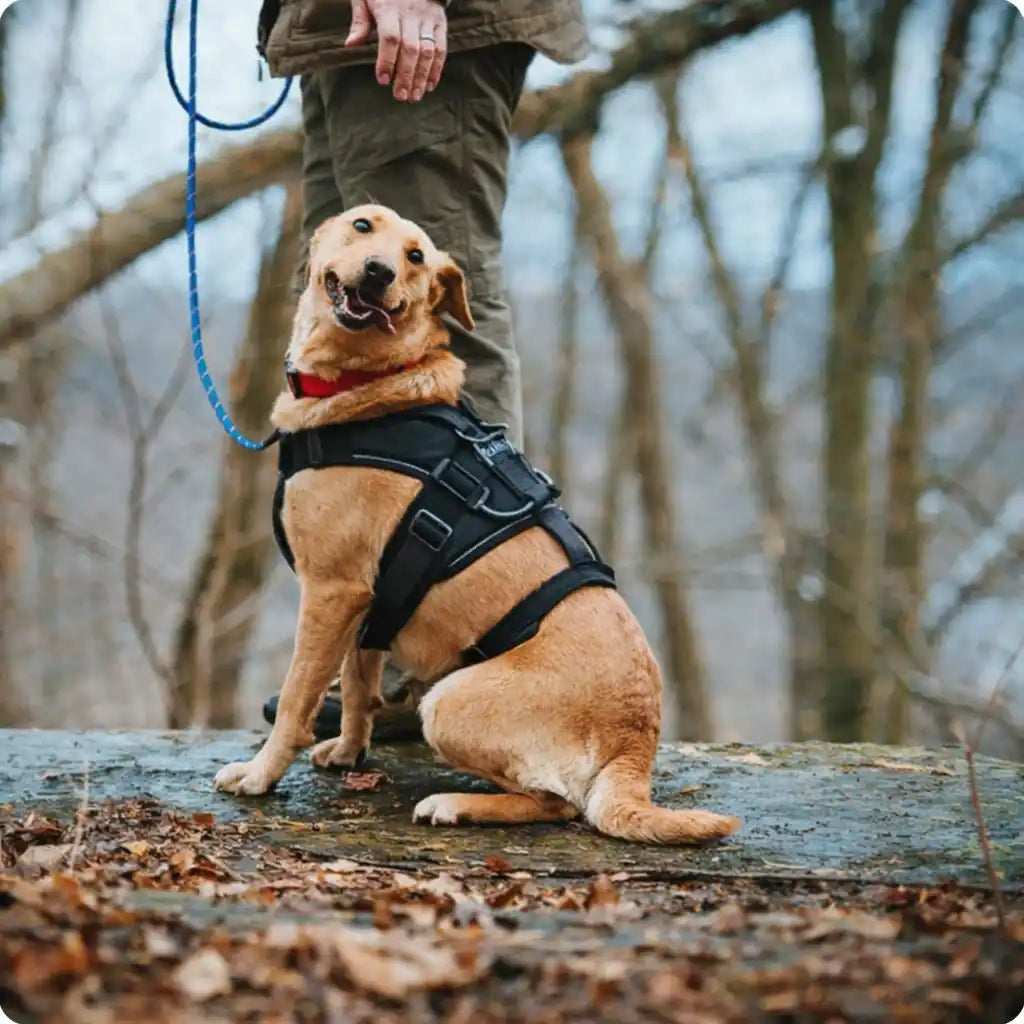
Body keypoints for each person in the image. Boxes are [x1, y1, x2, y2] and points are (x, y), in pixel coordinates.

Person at [257, 0, 590, 741]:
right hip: (336, 27)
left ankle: (465, 660)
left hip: (413, 22)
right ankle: (392, 668)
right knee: (341, 285)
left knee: (423, 313)